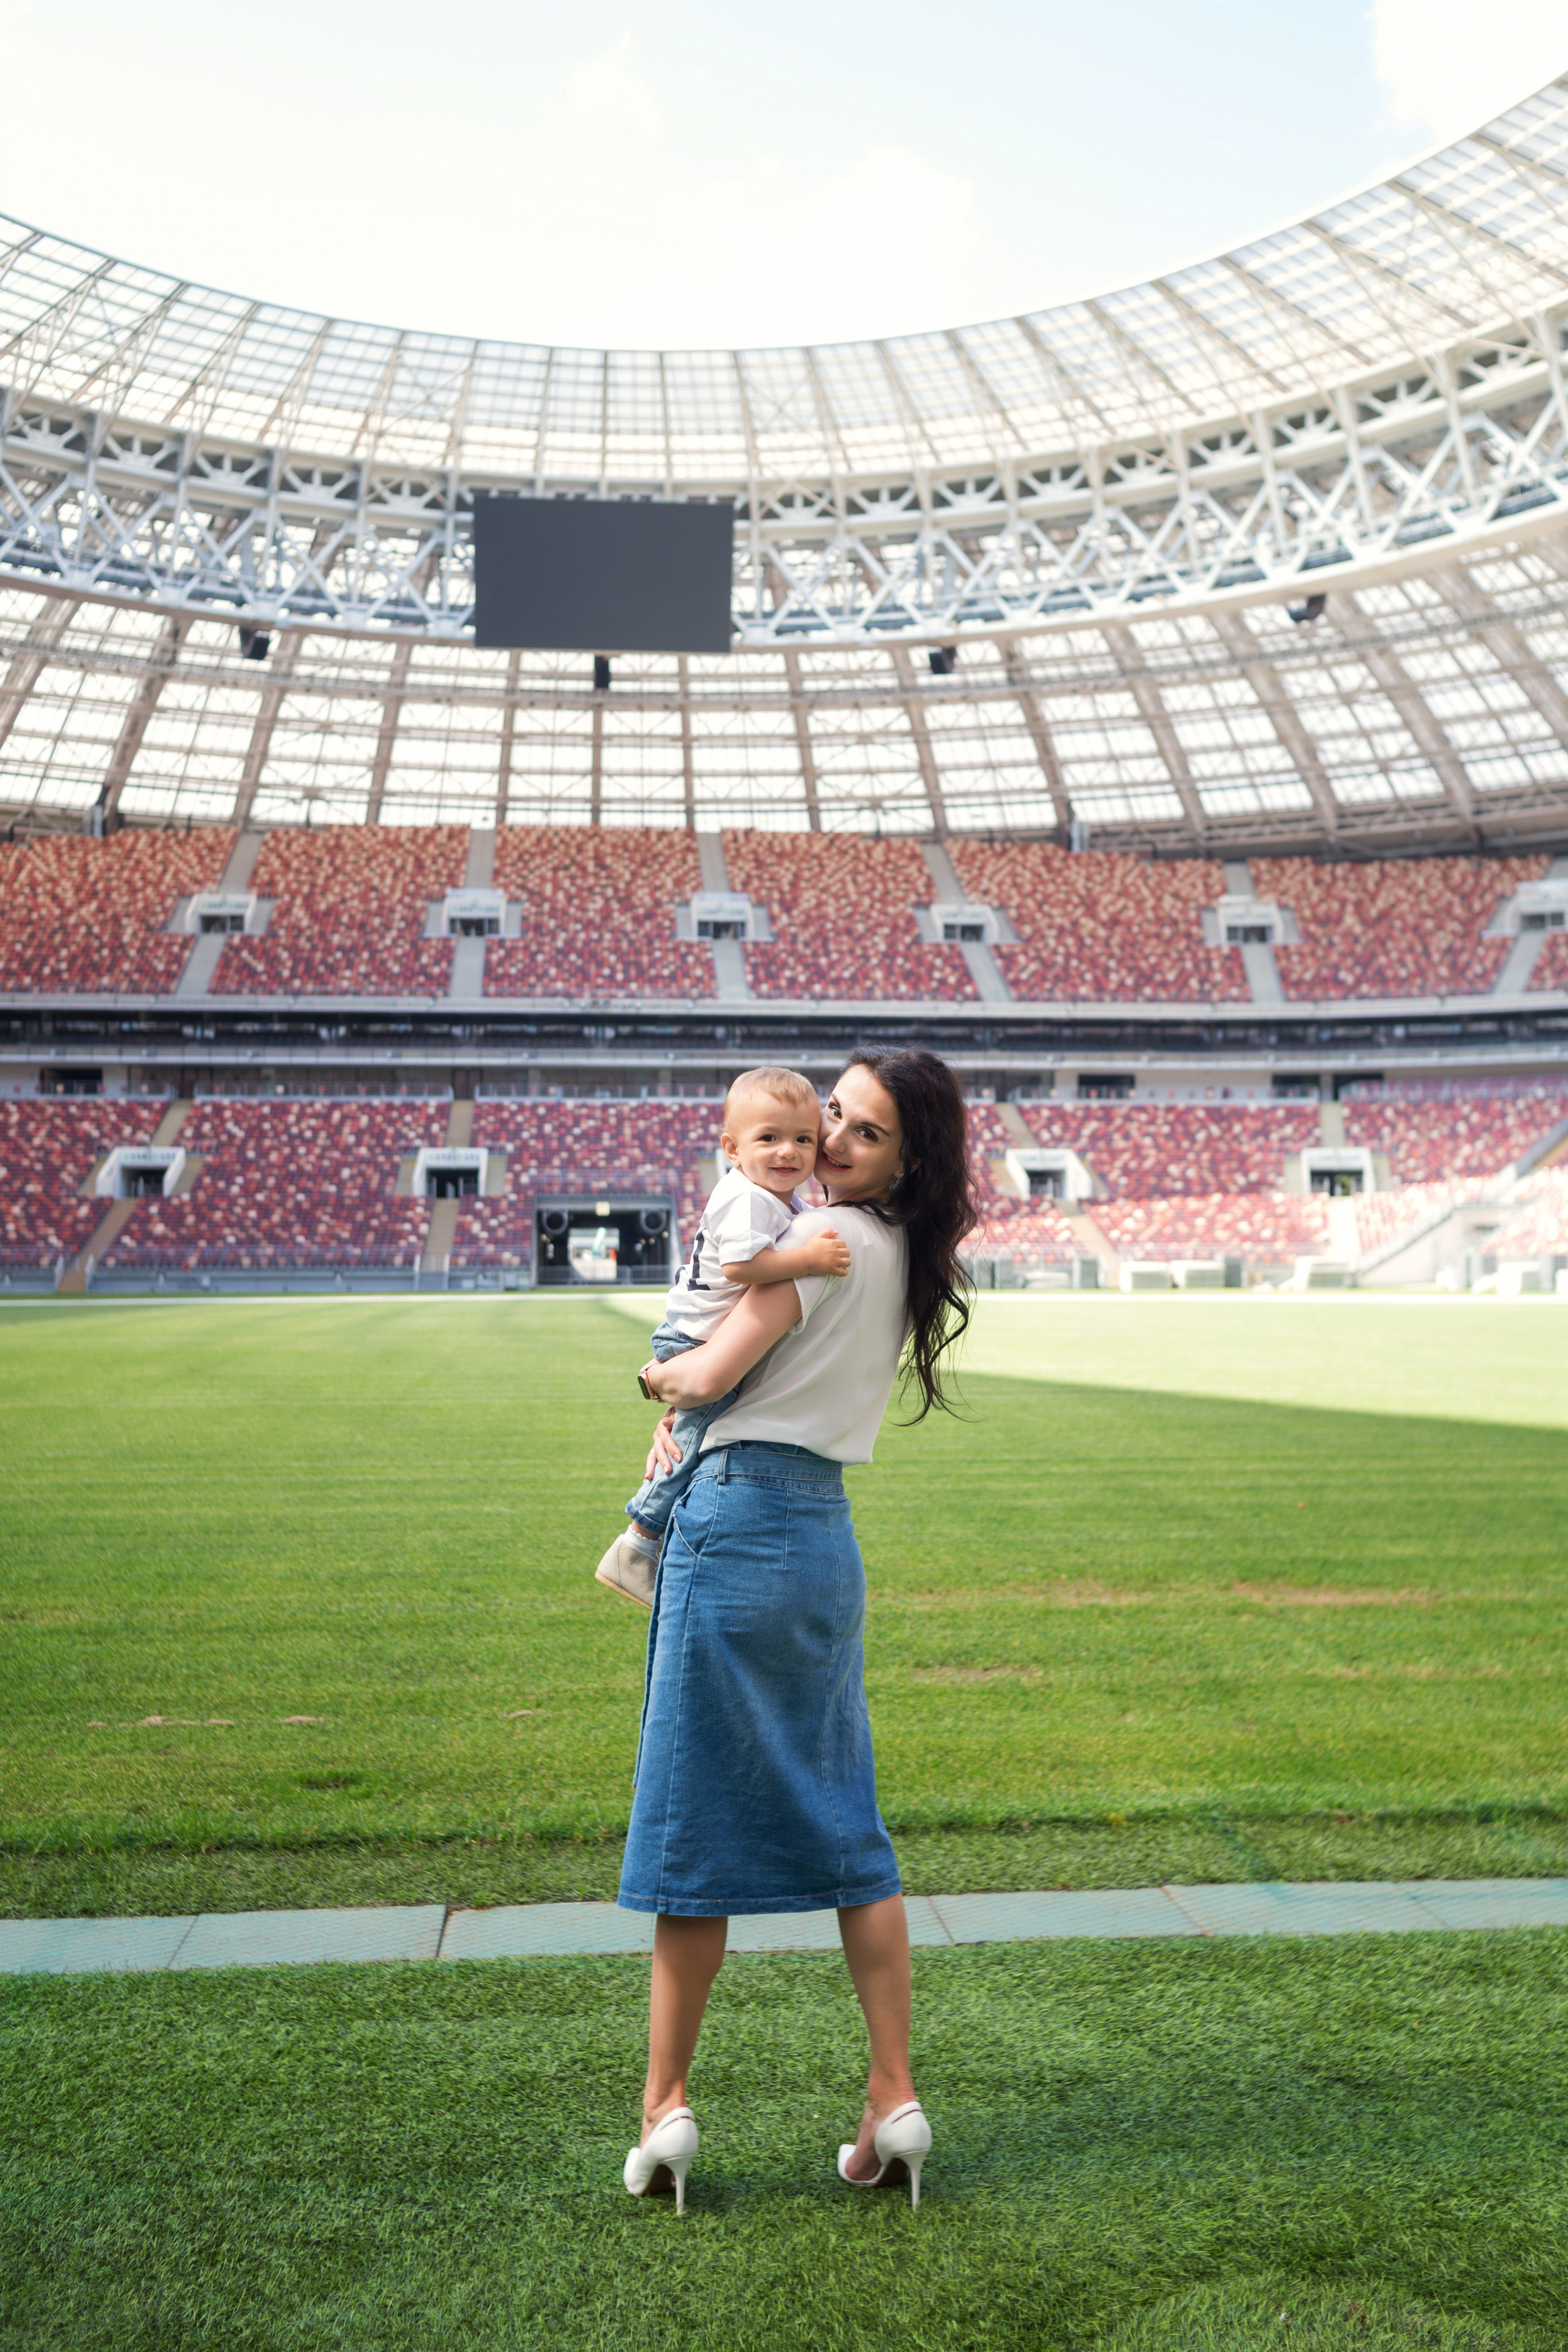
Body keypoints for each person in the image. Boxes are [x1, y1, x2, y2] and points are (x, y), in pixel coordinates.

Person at [616, 1047, 978, 2215]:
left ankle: (666, 2106)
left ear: (905, 1159)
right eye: (834, 1113)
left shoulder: (814, 1241)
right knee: (849, 1823)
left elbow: (703, 1374)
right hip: (825, 1540)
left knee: (692, 1822)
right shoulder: (900, 1253)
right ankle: (893, 2096)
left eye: (864, 1130)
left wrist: (653, 1381)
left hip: (735, 1524)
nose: (831, 1140)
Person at [594, 1066, 851, 1609]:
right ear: (732, 1149)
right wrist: (809, 1259)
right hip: (694, 1341)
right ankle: (637, 1541)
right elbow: (741, 1266)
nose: (788, 1152)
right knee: (693, 1438)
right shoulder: (748, 1198)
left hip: (697, 1336)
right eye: (769, 1138)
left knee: (691, 1433)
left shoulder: (774, 1195)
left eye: (804, 1139)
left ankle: (654, 1536)